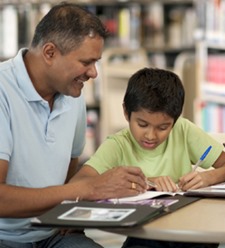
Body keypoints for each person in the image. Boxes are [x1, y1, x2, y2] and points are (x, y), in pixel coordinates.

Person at [0, 2, 149, 247]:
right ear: (49, 53)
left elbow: (68, 176)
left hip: (53, 234)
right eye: (86, 62)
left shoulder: (72, 95)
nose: (94, 73)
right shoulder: (3, 90)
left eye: (96, 62)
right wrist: (89, 188)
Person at [71, 67, 225, 248]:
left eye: (163, 127)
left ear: (175, 120)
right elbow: (78, 184)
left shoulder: (183, 130)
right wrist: (141, 183)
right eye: (142, 124)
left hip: (189, 230)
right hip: (144, 234)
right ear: (126, 112)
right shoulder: (118, 145)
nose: (151, 135)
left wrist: (207, 178)